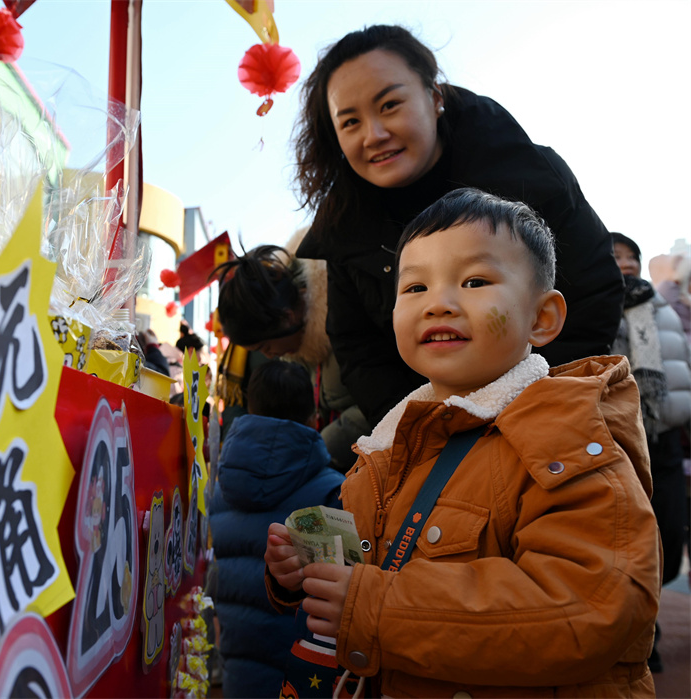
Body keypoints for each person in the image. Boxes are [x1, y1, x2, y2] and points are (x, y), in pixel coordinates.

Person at [264, 189, 660, 697]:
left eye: (474, 281)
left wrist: (375, 607)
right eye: (414, 288)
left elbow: (592, 606)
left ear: (542, 319)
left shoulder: (567, 439)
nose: (438, 304)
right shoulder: (387, 445)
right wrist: (306, 575)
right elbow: (371, 568)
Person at [293, 25, 623, 428]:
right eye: (350, 122)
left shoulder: (532, 177)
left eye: (390, 105)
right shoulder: (343, 230)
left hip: (550, 425)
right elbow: (359, 350)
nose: (374, 135)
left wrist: (522, 415)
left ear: (434, 98)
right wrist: (424, 430)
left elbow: (593, 294)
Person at [209, 360, 344, 698]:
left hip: (237, 666)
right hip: (303, 676)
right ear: (314, 415)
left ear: (250, 407)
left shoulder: (220, 487)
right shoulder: (332, 492)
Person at [213, 233, 371, 470]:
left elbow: (376, 407)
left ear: (287, 318)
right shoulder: (302, 345)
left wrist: (313, 452)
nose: (269, 356)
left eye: (265, 347)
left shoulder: (349, 313)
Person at [610, 233, 691, 674]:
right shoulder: (594, 307)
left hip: (661, 441)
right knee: (628, 544)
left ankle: (647, 617)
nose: (625, 263)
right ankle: (642, 634)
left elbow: (684, 372)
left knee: (671, 537)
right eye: (616, 256)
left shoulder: (663, 312)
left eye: (631, 256)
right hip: (618, 445)